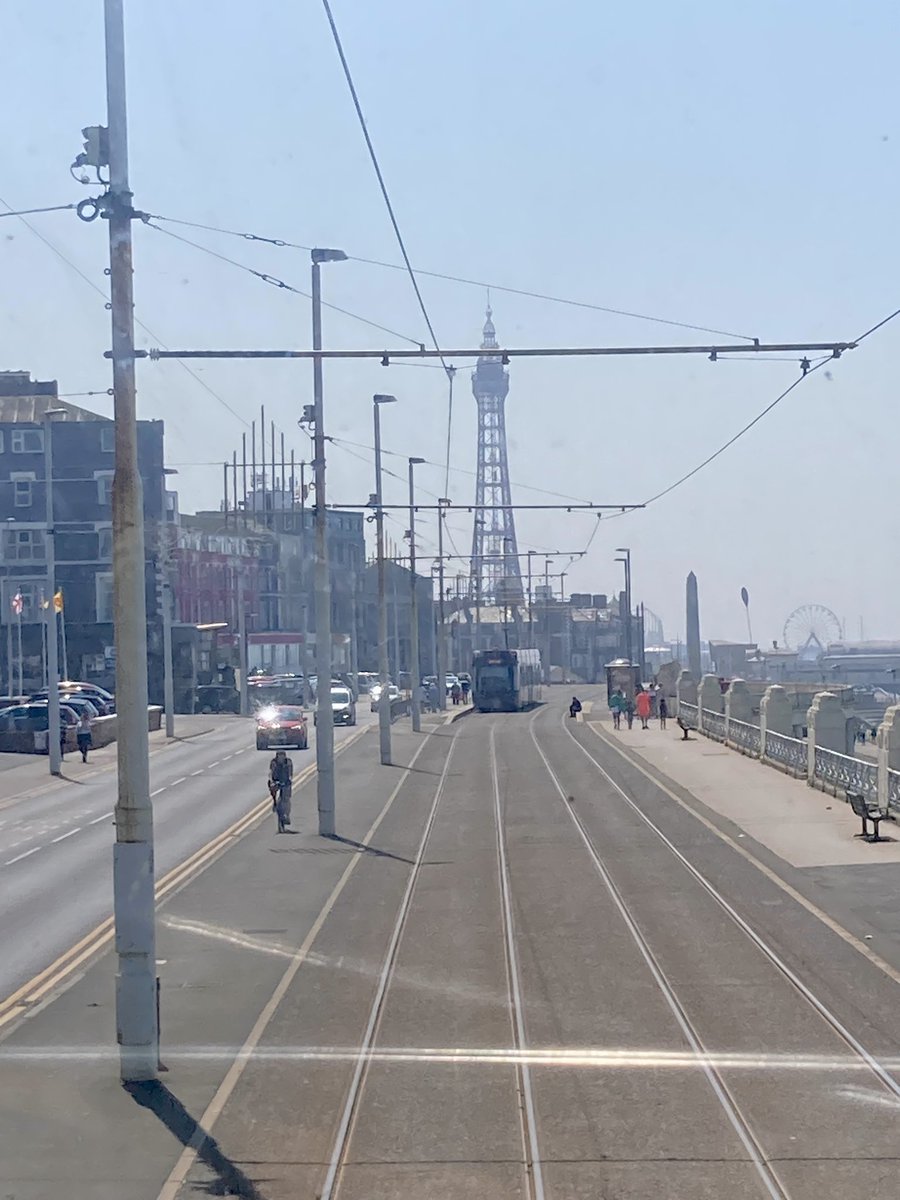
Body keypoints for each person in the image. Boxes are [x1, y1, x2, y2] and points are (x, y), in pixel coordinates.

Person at [268, 749, 294, 833]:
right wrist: (272, 782)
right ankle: (275, 804)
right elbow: (271, 773)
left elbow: (290, 772)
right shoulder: (273, 762)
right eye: (279, 755)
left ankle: (287, 814)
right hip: (276, 781)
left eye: (282, 755)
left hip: (285, 781)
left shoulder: (288, 762)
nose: (281, 757)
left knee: (286, 798)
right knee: (275, 796)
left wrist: (289, 779)